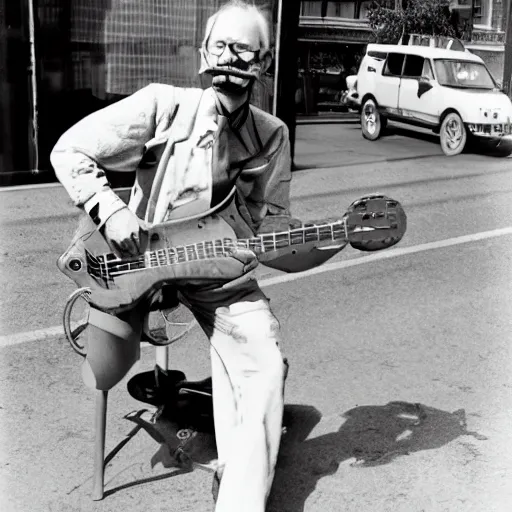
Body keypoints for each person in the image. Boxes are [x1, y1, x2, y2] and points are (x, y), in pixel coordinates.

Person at [51, 1, 344, 510]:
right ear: (204, 51)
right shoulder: (163, 105)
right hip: (130, 263)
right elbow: (68, 150)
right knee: (104, 369)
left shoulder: (272, 135)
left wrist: (323, 238)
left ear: (265, 61)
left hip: (218, 272)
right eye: (222, 46)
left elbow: (270, 221)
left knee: (265, 365)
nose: (230, 58)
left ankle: (237, 495)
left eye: (245, 49)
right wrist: (111, 210)